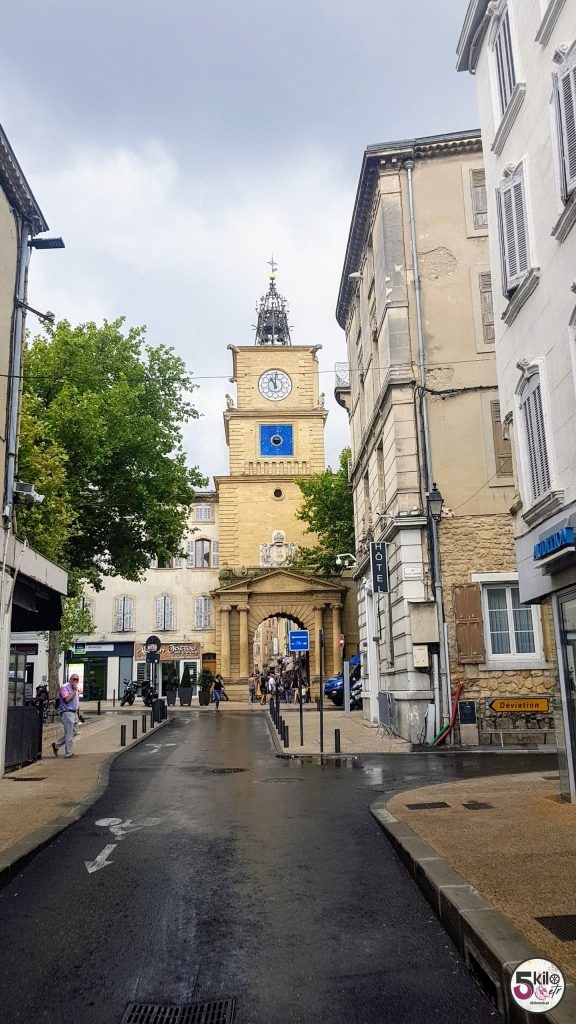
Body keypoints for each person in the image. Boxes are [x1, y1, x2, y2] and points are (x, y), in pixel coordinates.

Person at [52, 674, 80, 758]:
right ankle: (69, 753)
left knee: (74, 731)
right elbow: (67, 699)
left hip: (74, 712)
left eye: (77, 680)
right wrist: (74, 691)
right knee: (69, 733)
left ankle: (56, 745)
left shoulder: (75, 689)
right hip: (67, 712)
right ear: (70, 679)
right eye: (74, 679)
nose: (75, 681)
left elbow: (77, 701)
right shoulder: (64, 687)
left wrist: (79, 713)